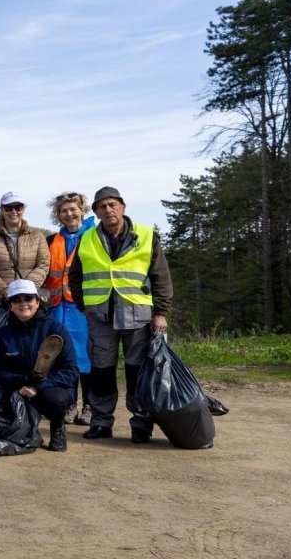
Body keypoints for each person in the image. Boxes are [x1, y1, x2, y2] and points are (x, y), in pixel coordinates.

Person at [69, 186, 173, 443]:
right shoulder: (87, 239)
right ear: (95, 211)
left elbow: (161, 277)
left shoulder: (147, 236)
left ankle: (141, 425)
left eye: (113, 204)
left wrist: (160, 312)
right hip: (100, 317)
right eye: (102, 206)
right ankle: (101, 422)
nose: (108, 209)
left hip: (138, 317)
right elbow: (75, 276)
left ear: (123, 207)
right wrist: (83, 305)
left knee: (138, 372)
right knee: (101, 373)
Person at [0, 279, 79, 452]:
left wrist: (39, 386)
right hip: (17, 389)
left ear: (38, 302)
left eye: (28, 299)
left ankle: (58, 427)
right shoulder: (3, 334)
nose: (23, 304)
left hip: (49, 389)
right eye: (17, 300)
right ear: (10, 306)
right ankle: (26, 427)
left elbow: (71, 370)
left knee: (57, 400)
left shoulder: (56, 329)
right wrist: (22, 380)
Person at [45, 191, 96, 425]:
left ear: (82, 210)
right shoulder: (52, 240)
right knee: (64, 357)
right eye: (63, 211)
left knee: (87, 357)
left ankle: (89, 405)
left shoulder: (95, 236)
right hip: (58, 309)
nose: (69, 214)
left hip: (84, 308)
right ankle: (69, 404)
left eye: (73, 209)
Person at [0, 191, 50, 306]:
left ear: (23, 209)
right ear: (2, 210)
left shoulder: (37, 235)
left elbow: (43, 265)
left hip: (29, 300)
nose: (14, 211)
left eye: (18, 207)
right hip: (2, 300)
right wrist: (6, 292)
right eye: (8, 208)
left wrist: (25, 289)